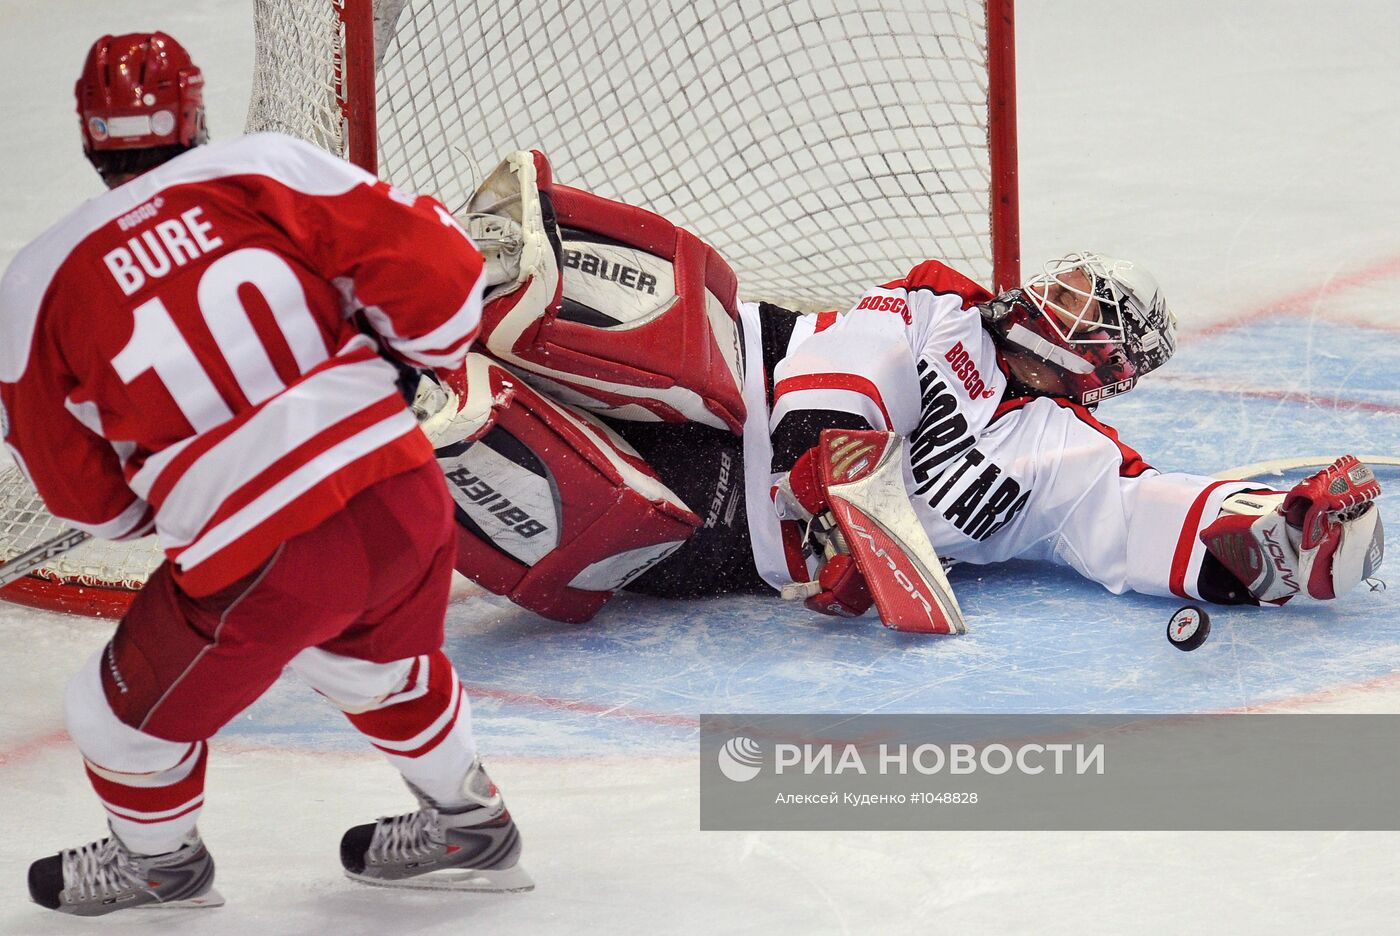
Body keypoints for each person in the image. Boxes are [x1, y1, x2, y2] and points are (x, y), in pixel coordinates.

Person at [0, 34, 530, 917]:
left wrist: (166, 500)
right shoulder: (264, 165)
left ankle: (159, 864)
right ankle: (469, 818)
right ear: (197, 115)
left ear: (93, 139)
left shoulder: (36, 279)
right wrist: (414, 354)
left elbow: (78, 496)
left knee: (109, 718)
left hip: (267, 556)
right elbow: (443, 275)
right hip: (404, 492)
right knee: (372, 664)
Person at [417, 150, 1384, 625]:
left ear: (1110, 364)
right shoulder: (943, 301)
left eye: (1090, 304)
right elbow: (851, 378)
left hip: (731, 530)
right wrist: (827, 470)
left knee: (583, 500)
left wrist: (1279, 535)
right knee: (684, 325)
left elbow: (1146, 521)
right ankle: (454, 272)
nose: (1057, 294)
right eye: (1070, 278)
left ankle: (407, 427)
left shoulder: (1073, 461)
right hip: (747, 383)